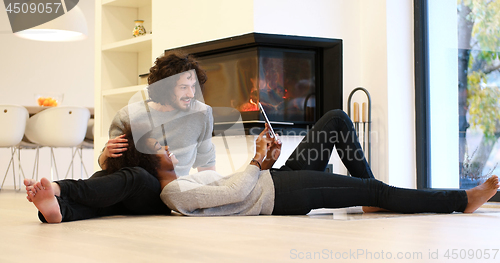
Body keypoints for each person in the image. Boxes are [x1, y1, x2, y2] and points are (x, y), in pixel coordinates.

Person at [27, 110, 499, 222]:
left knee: (334, 119)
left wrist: (264, 159)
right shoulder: (171, 192)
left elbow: (236, 180)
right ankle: (459, 200)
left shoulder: (177, 177)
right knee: (372, 193)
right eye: (163, 145)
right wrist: (256, 163)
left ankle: (369, 192)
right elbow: (231, 194)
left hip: (272, 179)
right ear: (152, 157)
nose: (172, 146)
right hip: (278, 196)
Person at [99, 50, 216, 176]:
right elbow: (107, 166)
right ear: (165, 87)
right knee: (99, 177)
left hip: (173, 188)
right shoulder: (128, 116)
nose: (191, 94)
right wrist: (106, 153)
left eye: (193, 86)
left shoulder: (201, 114)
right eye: (183, 87)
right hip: (137, 186)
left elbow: (206, 165)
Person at [25, 126, 174, 223]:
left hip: (156, 201)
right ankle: (58, 210)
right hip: (132, 202)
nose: (166, 148)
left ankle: (60, 188)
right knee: (103, 179)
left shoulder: (160, 181)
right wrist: (107, 155)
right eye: (158, 146)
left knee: (137, 176)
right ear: (147, 160)